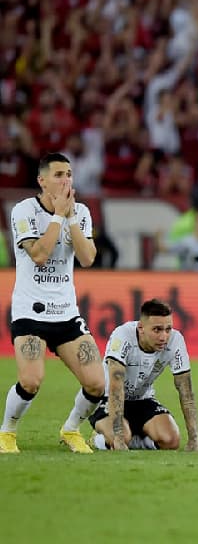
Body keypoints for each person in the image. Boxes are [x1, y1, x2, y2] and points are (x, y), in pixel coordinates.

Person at [0, 152, 104, 454]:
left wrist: (69, 217)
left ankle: (71, 429)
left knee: (97, 384)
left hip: (66, 313)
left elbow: (87, 259)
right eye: (59, 175)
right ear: (41, 180)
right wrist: (58, 215)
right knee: (31, 381)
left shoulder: (81, 212)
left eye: (69, 174)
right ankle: (7, 432)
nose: (66, 180)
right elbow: (39, 254)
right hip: (29, 311)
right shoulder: (24, 211)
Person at [89, 299, 198, 451]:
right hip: (107, 398)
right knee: (122, 436)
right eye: (157, 330)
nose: (164, 337)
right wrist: (119, 439)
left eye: (168, 329)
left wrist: (194, 439)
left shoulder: (175, 340)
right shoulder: (123, 335)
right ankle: (98, 439)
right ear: (141, 327)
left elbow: (186, 391)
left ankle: (132, 438)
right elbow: (116, 387)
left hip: (143, 400)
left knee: (171, 441)